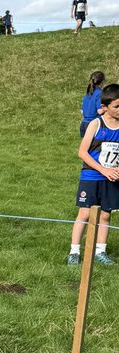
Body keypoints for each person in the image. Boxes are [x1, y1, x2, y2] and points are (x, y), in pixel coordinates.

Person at [67, 83, 119, 266]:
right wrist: (103, 169)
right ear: (104, 107)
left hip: (111, 177)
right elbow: (82, 152)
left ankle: (100, 251)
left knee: (106, 214)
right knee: (85, 212)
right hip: (91, 176)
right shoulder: (96, 124)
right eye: (117, 106)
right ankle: (74, 252)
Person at [80, 70, 106, 137]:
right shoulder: (100, 93)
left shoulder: (88, 93)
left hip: (84, 124)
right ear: (102, 81)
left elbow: (82, 111)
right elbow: (100, 111)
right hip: (94, 125)